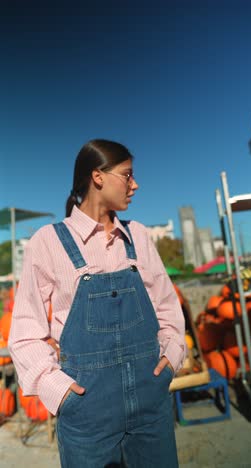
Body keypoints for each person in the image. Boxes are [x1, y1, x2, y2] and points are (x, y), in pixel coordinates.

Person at [8, 139, 186, 468]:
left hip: (151, 407)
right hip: (86, 414)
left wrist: (171, 357)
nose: (136, 185)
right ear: (98, 177)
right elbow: (24, 333)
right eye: (128, 175)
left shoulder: (140, 236)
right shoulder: (48, 241)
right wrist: (58, 392)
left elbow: (167, 309)